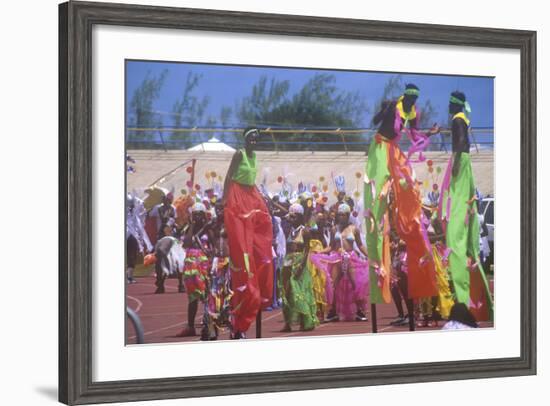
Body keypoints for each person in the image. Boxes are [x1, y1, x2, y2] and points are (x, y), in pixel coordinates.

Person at [364, 83, 440, 308]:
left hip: (394, 150)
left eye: (413, 101)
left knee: (411, 188)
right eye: (408, 100)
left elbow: (415, 134)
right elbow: (375, 122)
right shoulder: (393, 106)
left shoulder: (413, 112)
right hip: (379, 149)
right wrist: (384, 109)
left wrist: (430, 133)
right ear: (404, 97)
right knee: (378, 197)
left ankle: (412, 227)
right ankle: (378, 267)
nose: (410, 104)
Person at [438, 91, 493, 322]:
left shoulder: (457, 119)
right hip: (464, 163)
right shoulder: (461, 118)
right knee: (461, 228)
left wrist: (456, 165)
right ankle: (472, 301)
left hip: (461, 162)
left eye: (450, 103)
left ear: (454, 105)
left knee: (455, 234)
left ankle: (462, 301)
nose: (448, 106)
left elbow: (460, 142)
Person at [222, 128, 274, 339]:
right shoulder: (239, 154)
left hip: (251, 195)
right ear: (245, 140)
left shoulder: (255, 157)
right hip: (237, 195)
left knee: (263, 242)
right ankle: (238, 318)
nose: (254, 141)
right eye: (251, 138)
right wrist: (224, 200)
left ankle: (261, 294)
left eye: (256, 139)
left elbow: (252, 182)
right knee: (243, 252)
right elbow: (228, 177)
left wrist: (265, 200)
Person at [312, 203, 369, 322]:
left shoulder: (354, 229)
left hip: (350, 258)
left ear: (348, 215)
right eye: (340, 214)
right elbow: (331, 246)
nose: (341, 217)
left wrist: (370, 256)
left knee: (354, 284)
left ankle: (359, 310)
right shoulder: (334, 229)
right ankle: (332, 311)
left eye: (343, 215)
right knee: (334, 285)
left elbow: (360, 245)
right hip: (337, 258)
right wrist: (319, 252)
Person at [279, 203, 319, 332]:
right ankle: (288, 323)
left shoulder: (305, 231)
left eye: (294, 217)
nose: (292, 219)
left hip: (299, 262)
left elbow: (307, 249)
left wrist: (301, 266)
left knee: (299, 292)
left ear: (300, 217)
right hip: (288, 262)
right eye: (291, 217)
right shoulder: (289, 230)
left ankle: (305, 321)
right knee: (286, 292)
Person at [176, 203, 213, 337]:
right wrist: (191, 225)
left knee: (207, 295)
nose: (197, 216)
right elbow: (186, 244)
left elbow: (213, 244)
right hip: (191, 264)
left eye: (199, 214)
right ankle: (190, 326)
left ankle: (209, 325)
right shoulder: (188, 228)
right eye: (195, 214)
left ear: (203, 215)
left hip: (204, 264)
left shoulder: (208, 229)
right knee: (192, 297)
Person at [126, 193, 153, 284]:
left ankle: (129, 276)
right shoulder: (132, 215)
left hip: (131, 237)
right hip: (130, 236)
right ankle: (129, 276)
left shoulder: (132, 215)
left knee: (131, 256)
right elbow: (140, 227)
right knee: (131, 256)